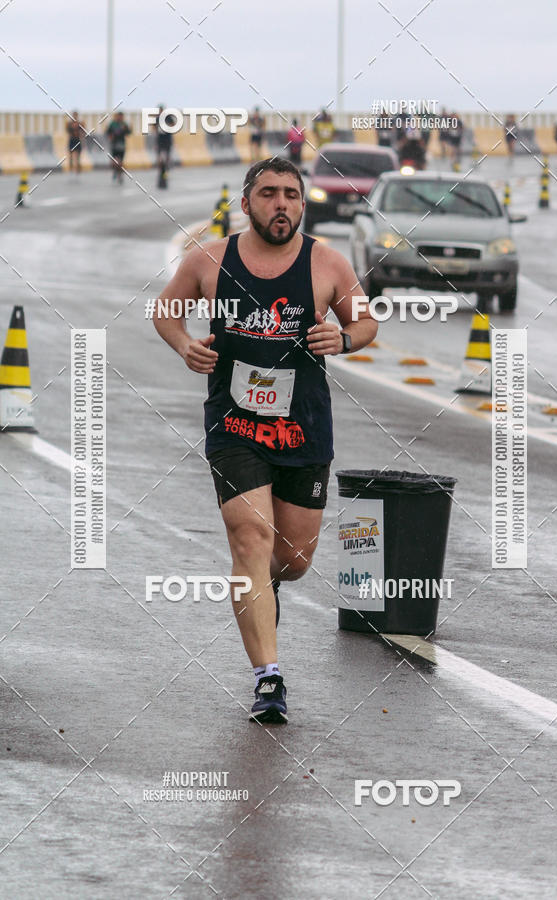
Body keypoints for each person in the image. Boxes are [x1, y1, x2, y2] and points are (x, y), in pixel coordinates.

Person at [153, 157, 377, 725]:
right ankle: (268, 680)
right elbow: (166, 311)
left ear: (303, 205)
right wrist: (184, 345)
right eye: (270, 194)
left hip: (303, 426)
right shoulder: (210, 259)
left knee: (293, 559)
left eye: (292, 196)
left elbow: (367, 322)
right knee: (250, 535)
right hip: (235, 424)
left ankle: (263, 587)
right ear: (248, 202)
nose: (282, 204)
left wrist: (344, 337)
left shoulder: (326, 262)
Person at [105, 111, 131, 183]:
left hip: (122, 145)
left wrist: (126, 129)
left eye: (121, 117)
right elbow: (107, 132)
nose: (120, 118)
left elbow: (128, 133)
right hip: (114, 145)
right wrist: (111, 136)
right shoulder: (113, 124)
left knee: (120, 162)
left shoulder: (124, 124)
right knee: (114, 162)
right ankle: (115, 171)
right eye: (119, 116)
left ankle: (120, 175)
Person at [155, 105, 174, 188]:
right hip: (160, 142)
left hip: (167, 141)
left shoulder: (168, 117)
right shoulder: (157, 119)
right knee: (160, 159)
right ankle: (161, 171)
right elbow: (155, 130)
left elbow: (174, 125)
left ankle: (166, 171)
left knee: (166, 159)